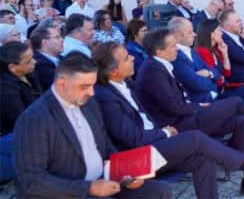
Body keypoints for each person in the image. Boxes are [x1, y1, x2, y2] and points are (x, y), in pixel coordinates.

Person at [92, 42, 244, 197]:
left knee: (203, 158)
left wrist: (165, 131)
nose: (133, 57)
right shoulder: (105, 96)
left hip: (159, 141)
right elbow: (132, 139)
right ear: (113, 71)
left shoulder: (125, 83)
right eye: (127, 58)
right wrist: (165, 131)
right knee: (196, 137)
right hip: (137, 158)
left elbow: (147, 119)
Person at [13, 52, 173, 198]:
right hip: (70, 192)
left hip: (104, 181)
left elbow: (104, 145)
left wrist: (125, 174)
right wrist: (88, 188)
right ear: (62, 84)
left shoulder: (88, 103)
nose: (92, 92)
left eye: (92, 85)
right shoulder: (35, 119)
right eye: (84, 87)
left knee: (159, 191)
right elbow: (31, 180)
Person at [134, 29, 244, 153]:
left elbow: (216, 75)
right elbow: (174, 106)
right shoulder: (153, 71)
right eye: (173, 46)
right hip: (178, 123)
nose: (177, 49)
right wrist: (199, 106)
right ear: (159, 51)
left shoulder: (161, 64)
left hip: (188, 113)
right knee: (236, 102)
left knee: (241, 121)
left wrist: (203, 96)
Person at [1, 42, 41, 137]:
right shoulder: (5, 88)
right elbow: (19, 119)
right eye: (28, 61)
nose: (34, 61)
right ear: (12, 67)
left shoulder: (30, 74)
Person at [29, 19, 64, 91]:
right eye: (57, 37)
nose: (62, 39)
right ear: (44, 42)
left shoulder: (63, 58)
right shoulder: (39, 65)